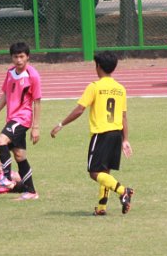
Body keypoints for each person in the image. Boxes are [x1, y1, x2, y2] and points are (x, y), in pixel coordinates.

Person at [50, 51, 134, 216]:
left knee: (94, 173)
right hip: (117, 134)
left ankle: (123, 191)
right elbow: (123, 116)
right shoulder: (120, 89)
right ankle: (102, 208)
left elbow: (80, 109)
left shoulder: (94, 87)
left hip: (101, 134)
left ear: (98, 67)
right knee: (105, 173)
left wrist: (61, 124)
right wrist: (125, 139)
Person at [0, 42, 41, 201]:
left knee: (1, 140)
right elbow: (5, 94)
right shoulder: (10, 73)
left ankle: (7, 178)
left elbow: (37, 102)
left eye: (22, 56)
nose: (19, 60)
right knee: (19, 155)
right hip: (12, 118)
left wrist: (35, 127)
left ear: (27, 57)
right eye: (16, 57)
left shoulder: (33, 75)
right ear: (11, 58)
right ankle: (31, 192)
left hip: (23, 118)